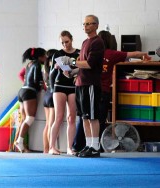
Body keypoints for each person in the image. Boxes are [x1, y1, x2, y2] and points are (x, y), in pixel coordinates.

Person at [72, 30, 152, 152]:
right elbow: (132, 54)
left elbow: (82, 66)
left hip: (90, 87)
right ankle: (93, 145)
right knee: (96, 119)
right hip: (101, 89)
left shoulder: (92, 52)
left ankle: (85, 145)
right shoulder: (110, 54)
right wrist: (144, 54)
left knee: (86, 118)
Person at [59, 15, 104, 158]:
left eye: (89, 24)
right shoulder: (85, 42)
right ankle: (89, 145)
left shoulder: (97, 42)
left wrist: (72, 61)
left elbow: (89, 64)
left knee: (92, 116)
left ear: (96, 25)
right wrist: (72, 72)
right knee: (84, 116)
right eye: (84, 24)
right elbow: (82, 65)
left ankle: (95, 147)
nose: (86, 26)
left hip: (91, 84)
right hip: (80, 83)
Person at [49, 31, 80, 155]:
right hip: (59, 86)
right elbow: (50, 74)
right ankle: (52, 147)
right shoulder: (58, 53)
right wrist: (56, 67)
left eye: (67, 42)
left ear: (71, 39)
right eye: (62, 42)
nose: (65, 44)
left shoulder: (78, 53)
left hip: (72, 86)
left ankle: (69, 147)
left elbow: (83, 68)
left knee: (71, 117)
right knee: (59, 117)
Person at [14, 47, 46, 153]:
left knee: (24, 119)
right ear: (40, 56)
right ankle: (19, 141)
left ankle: (19, 143)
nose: (46, 58)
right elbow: (38, 80)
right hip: (30, 92)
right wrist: (44, 87)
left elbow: (22, 75)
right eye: (44, 56)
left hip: (22, 90)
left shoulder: (29, 64)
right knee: (30, 118)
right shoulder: (37, 64)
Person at [42, 49, 57, 153]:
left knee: (47, 124)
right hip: (52, 95)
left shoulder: (45, 67)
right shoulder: (54, 67)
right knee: (51, 124)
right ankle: (52, 148)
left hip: (46, 95)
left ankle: (45, 149)